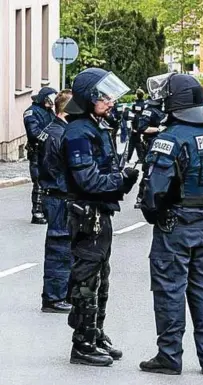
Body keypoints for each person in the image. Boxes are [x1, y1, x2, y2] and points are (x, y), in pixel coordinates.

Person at [138, 73, 203, 375]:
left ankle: (169, 356)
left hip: (173, 226)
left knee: (170, 290)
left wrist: (154, 214)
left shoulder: (170, 139)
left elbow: (155, 192)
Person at [62, 68, 138, 366]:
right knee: (86, 280)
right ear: (88, 98)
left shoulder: (96, 125)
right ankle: (82, 343)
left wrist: (121, 176)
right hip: (86, 214)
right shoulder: (79, 131)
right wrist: (122, 179)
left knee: (100, 279)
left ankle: (95, 333)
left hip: (99, 212)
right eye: (103, 97)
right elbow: (89, 181)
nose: (110, 102)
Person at [37, 89, 73, 313]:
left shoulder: (55, 130)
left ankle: (61, 293)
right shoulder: (57, 134)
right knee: (59, 248)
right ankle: (53, 298)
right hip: (58, 197)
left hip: (57, 196)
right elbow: (54, 170)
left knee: (64, 247)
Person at [24, 86, 57, 224]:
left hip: (49, 151)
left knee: (49, 180)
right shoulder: (31, 112)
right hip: (37, 151)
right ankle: (37, 212)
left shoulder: (50, 112)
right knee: (39, 181)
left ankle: (46, 210)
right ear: (45, 98)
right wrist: (49, 139)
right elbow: (34, 132)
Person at [133, 97, 166, 209]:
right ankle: (141, 196)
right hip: (152, 144)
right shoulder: (149, 111)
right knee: (149, 170)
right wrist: (158, 129)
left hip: (162, 144)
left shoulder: (163, 111)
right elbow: (142, 128)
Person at [125, 89, 147, 163]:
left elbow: (133, 116)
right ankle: (140, 158)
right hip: (141, 125)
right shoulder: (145, 104)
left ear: (137, 95)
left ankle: (131, 158)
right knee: (136, 142)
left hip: (135, 125)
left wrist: (133, 127)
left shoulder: (135, 105)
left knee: (134, 142)